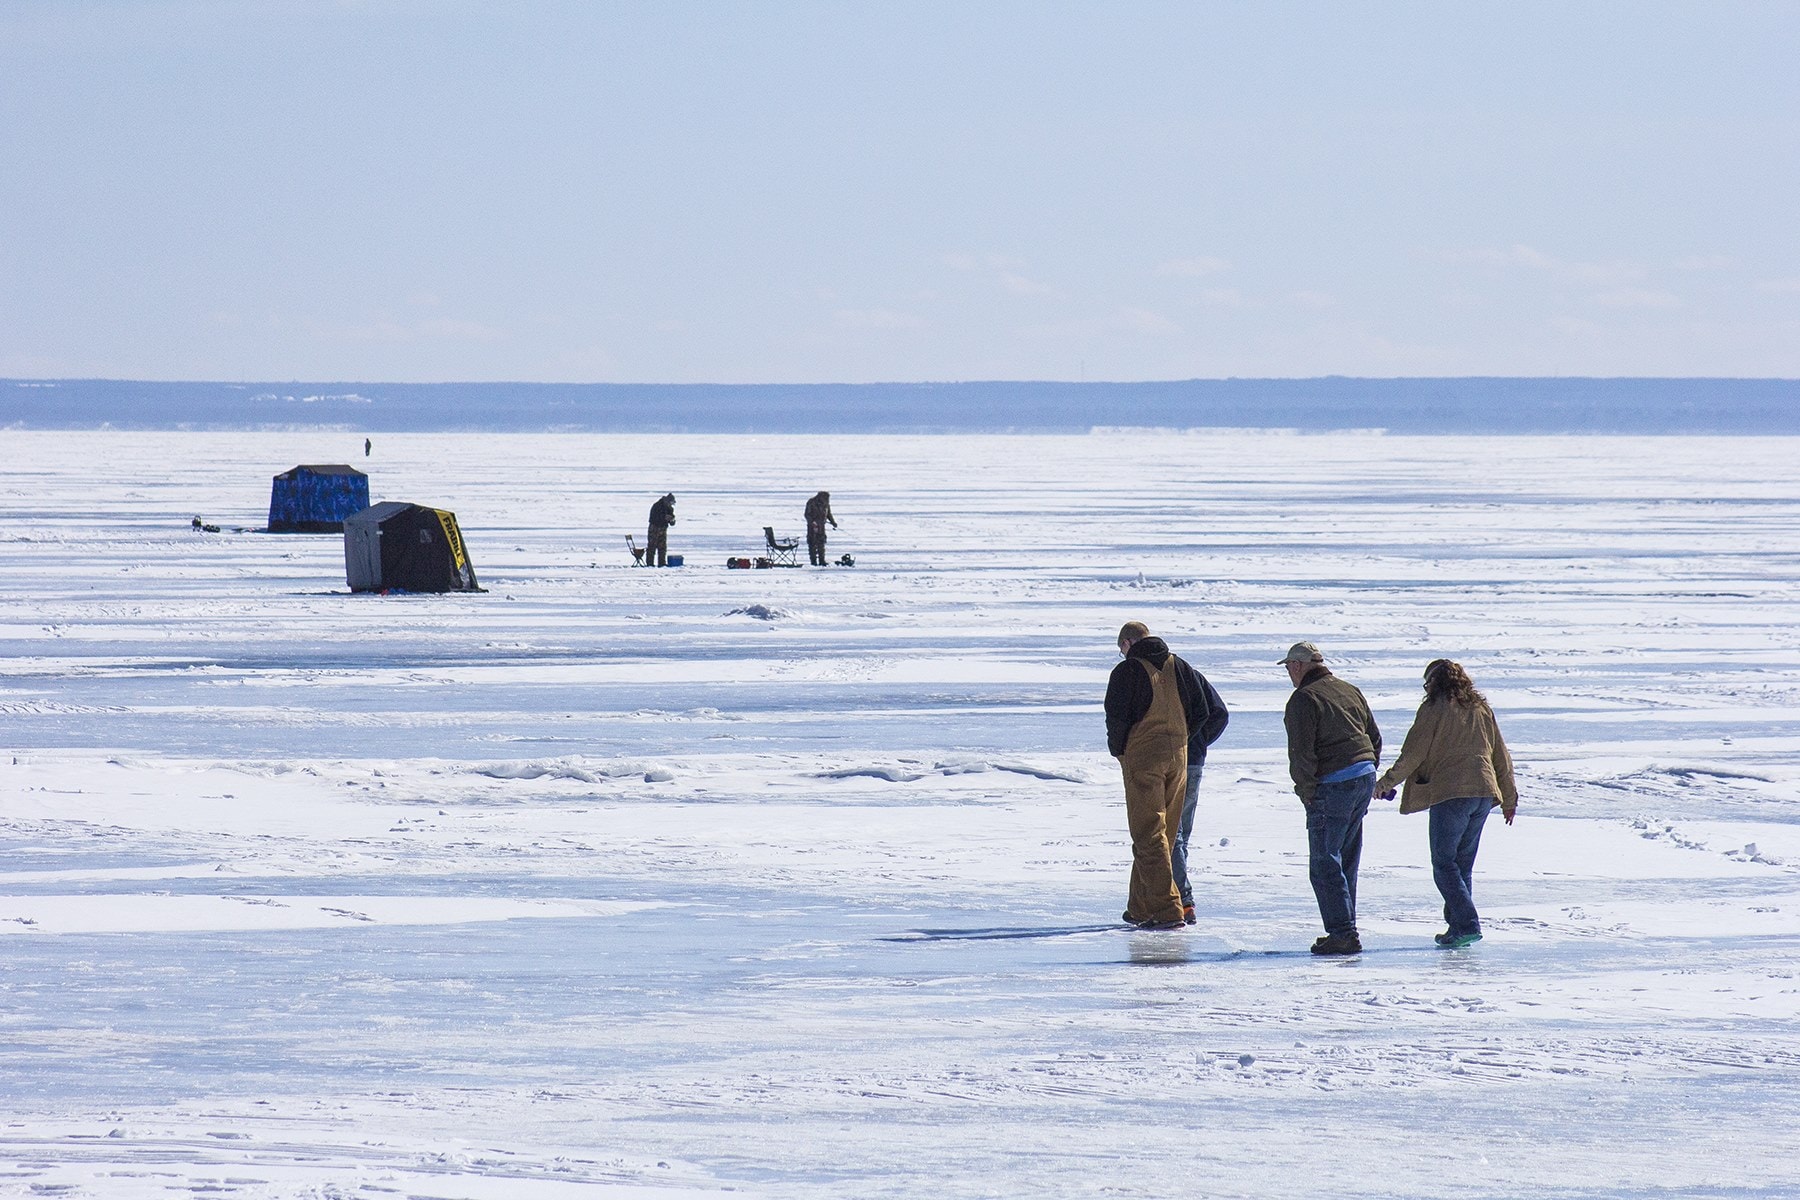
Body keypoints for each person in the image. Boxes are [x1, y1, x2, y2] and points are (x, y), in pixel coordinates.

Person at [1375, 659, 1517, 948]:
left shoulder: (1434, 709)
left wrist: (1385, 783)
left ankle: (1466, 924)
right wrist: (1509, 797)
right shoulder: (1480, 709)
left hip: (1451, 794)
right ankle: (1457, 929)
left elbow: (1412, 754)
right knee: (1461, 866)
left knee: (1443, 864)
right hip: (1483, 794)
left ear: (1433, 683)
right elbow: (1501, 755)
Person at [1104, 621, 1214, 930]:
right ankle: (1141, 907)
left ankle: (1168, 909)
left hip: (1144, 759)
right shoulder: (1179, 666)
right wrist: (1181, 738)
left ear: (1127, 643)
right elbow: (1204, 710)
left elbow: (1116, 716)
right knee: (1164, 833)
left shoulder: (1126, 671)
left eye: (1121, 648)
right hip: (1179, 758)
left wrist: (1120, 750)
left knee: (1148, 833)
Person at [1281, 641, 1381, 956]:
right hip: (1362, 778)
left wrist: (1307, 792)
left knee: (1325, 863)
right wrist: (1365, 769)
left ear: (1298, 666)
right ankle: (1344, 928)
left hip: (1333, 784)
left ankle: (1343, 933)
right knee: (1345, 859)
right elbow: (1374, 738)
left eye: (1287, 667)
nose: (1288, 674)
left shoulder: (1303, 699)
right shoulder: (1349, 689)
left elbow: (1301, 753)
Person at [1172, 661, 1229, 925]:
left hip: (1176, 761)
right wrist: (1198, 743)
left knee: (1172, 836)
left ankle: (1182, 901)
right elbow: (1219, 712)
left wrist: (1193, 741)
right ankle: (1173, 898)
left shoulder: (1161, 676)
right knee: (1178, 836)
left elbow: (1219, 713)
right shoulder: (1190, 674)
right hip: (1193, 760)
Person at [804, 491, 838, 566]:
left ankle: (822, 560)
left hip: (821, 526)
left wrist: (833, 522)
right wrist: (812, 522)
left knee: (821, 543)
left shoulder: (826, 504)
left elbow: (828, 514)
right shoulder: (811, 502)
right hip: (812, 527)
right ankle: (813, 561)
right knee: (812, 543)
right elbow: (807, 514)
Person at [646, 493, 676, 567]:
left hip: (663, 529)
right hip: (654, 528)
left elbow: (672, 520)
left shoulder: (670, 508)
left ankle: (662, 563)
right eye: (670, 503)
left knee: (662, 547)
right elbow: (653, 518)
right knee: (652, 546)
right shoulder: (657, 506)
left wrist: (672, 520)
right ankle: (650, 563)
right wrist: (664, 517)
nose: (671, 505)